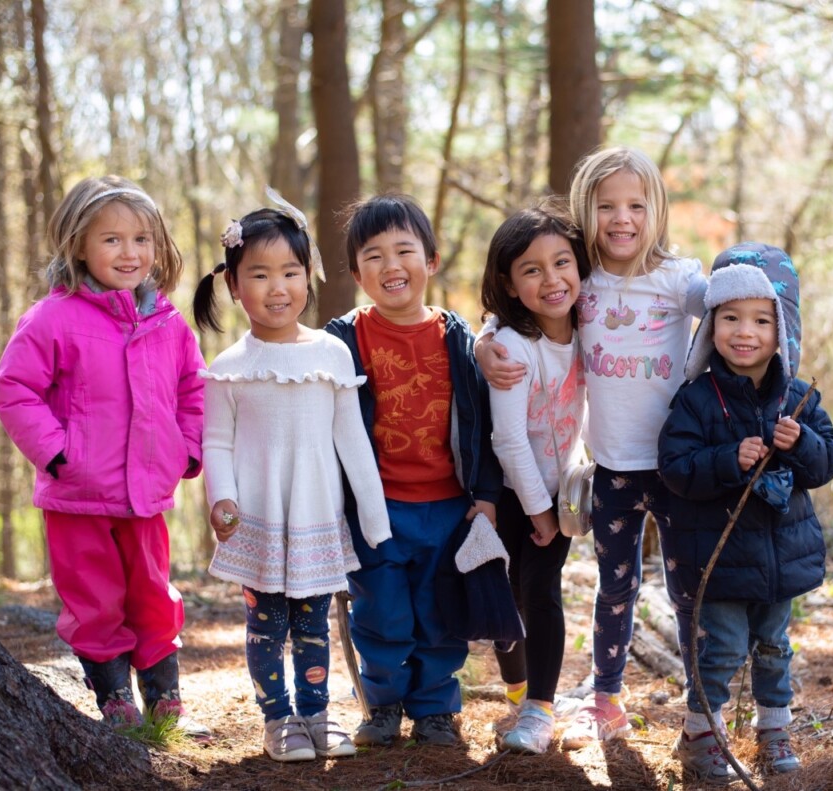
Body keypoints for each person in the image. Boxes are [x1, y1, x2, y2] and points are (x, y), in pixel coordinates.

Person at [476, 147, 707, 749]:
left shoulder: (681, 277)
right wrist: (483, 342)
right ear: (588, 210)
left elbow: (732, 311)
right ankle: (606, 699)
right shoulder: (585, 284)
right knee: (615, 585)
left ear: (657, 208)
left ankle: (703, 706)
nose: (622, 218)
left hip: (681, 467)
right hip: (611, 469)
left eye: (636, 204)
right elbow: (523, 303)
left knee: (689, 591)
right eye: (607, 206)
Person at [0, 175, 207, 733]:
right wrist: (57, 453)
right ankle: (114, 696)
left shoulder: (169, 323)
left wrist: (187, 450)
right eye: (111, 240)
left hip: (147, 492)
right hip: (78, 494)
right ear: (78, 244)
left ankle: (165, 693)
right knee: (94, 600)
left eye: (141, 239)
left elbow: (194, 389)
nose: (129, 252)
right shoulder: (53, 318)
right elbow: (14, 391)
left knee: (154, 593)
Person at [192, 195, 392, 762]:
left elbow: (352, 440)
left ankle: (317, 715)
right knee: (265, 624)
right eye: (259, 274)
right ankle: (277, 720)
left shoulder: (330, 353)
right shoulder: (229, 366)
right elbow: (218, 442)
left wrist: (374, 521)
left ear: (310, 278)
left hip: (315, 515)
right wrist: (222, 499)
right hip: (256, 518)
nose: (277, 287)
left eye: (290, 272)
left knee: (315, 624)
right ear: (233, 285)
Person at [325, 193, 503, 747]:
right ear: (356, 272)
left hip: (448, 505)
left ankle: (434, 709)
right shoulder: (342, 340)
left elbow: (483, 427)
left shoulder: (460, 341)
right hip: (375, 507)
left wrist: (487, 496)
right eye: (373, 256)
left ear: (432, 260)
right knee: (380, 610)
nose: (390, 266)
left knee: (439, 611)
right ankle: (381, 704)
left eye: (404, 251)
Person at [658, 259, 833, 784]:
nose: (745, 332)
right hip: (719, 554)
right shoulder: (696, 399)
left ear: (778, 331)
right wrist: (726, 459)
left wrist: (802, 443)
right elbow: (675, 467)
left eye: (761, 321)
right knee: (718, 649)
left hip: (780, 555)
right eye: (731, 318)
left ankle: (773, 729)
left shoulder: (796, 396)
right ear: (711, 327)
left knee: (773, 646)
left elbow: (830, 459)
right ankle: (701, 734)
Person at [477, 202, 592, 754]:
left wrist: (556, 503)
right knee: (505, 594)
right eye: (532, 269)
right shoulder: (513, 347)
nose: (552, 279)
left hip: (555, 488)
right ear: (509, 282)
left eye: (562, 262)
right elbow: (508, 439)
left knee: (541, 591)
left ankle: (540, 710)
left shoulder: (592, 328)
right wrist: (536, 510)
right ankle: (520, 691)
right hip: (505, 491)